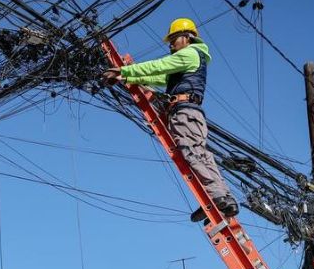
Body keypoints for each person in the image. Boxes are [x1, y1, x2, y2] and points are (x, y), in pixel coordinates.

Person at [102, 17, 239, 222]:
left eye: (173, 39)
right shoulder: (189, 62)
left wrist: (124, 70)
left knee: (191, 152)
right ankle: (222, 197)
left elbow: (160, 66)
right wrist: (126, 77)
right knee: (200, 154)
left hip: (185, 112)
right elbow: (158, 78)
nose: (171, 45)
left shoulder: (190, 53)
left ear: (186, 37)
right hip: (191, 112)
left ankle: (216, 196)